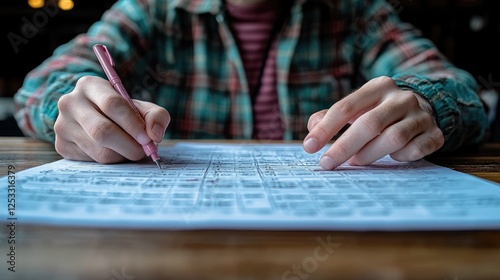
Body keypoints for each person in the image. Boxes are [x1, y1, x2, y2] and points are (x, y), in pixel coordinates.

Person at [14, 0, 488, 170]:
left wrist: (427, 102)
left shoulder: (356, 11)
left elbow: (460, 90)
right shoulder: (152, 9)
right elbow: (41, 87)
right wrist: (75, 108)